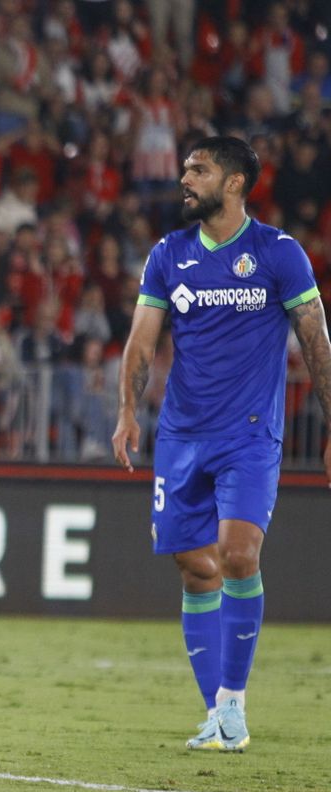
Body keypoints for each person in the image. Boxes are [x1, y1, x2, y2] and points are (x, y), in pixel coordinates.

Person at [113, 136, 331, 754]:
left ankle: (233, 705)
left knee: (238, 556)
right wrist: (129, 411)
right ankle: (215, 714)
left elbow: (317, 343)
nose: (185, 179)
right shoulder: (168, 254)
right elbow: (141, 341)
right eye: (185, 168)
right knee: (195, 567)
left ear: (234, 184)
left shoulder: (278, 254)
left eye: (198, 170)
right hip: (181, 434)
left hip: (250, 433)